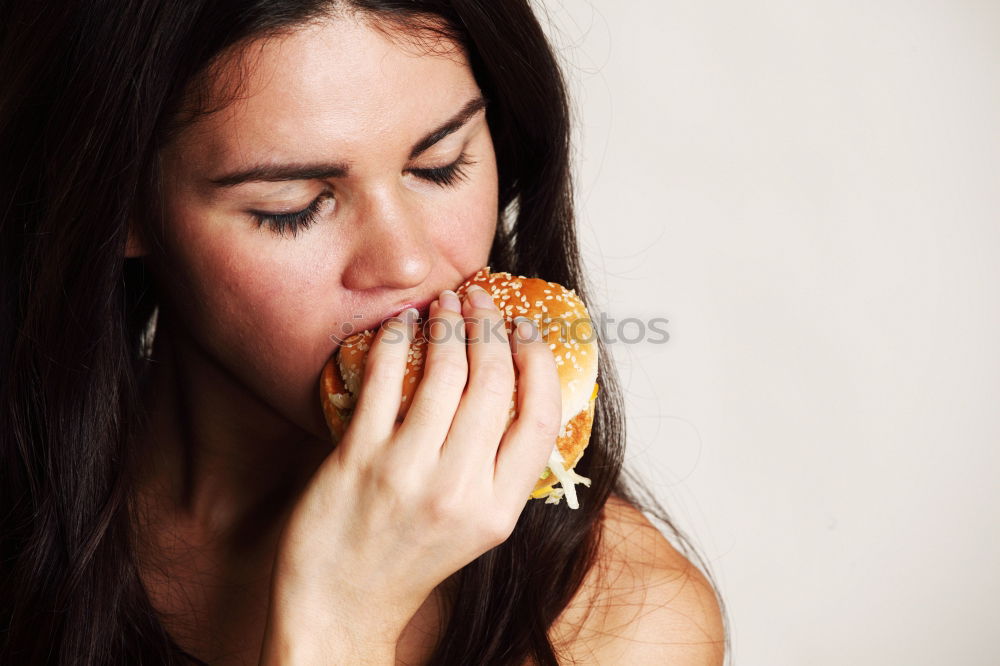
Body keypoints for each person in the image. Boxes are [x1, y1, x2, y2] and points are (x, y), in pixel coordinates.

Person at [0, 1, 727, 663]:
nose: (408, 263)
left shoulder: (621, 621)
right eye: (293, 206)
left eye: (440, 167)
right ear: (119, 209)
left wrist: (340, 622)